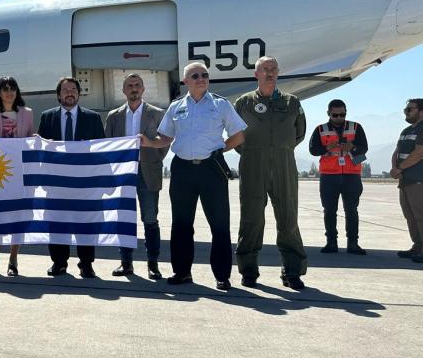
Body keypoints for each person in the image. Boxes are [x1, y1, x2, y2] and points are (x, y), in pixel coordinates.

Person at [142, 62, 245, 290]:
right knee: (181, 224)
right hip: (182, 170)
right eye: (195, 75)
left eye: (205, 75)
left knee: (219, 224)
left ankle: (222, 275)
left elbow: (238, 136)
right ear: (185, 81)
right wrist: (150, 143)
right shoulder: (176, 107)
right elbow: (166, 138)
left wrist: (219, 150)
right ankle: (182, 272)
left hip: (211, 169)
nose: (201, 78)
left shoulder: (221, 104)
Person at [233, 57, 309, 289]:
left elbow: (299, 133)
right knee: (251, 219)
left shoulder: (292, 102)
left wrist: (279, 150)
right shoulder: (243, 103)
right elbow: (235, 135)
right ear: (256, 74)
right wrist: (255, 151)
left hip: (283, 164)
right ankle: (249, 271)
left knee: (288, 218)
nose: (269, 73)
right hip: (252, 164)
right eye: (264, 69)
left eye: (273, 69)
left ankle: (292, 271)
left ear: (278, 73)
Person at [38, 76, 106, 278]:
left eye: (73, 90)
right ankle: (59, 263)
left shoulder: (92, 118)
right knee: (57, 222)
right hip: (56, 183)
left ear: (79, 93)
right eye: (65, 90)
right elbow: (41, 148)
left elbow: (101, 148)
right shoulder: (47, 117)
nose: (70, 93)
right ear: (59, 95)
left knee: (85, 223)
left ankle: (86, 264)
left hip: (84, 183)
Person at [105, 73, 167, 280]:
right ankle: (126, 263)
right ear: (123, 90)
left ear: (143, 89)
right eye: (130, 85)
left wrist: (151, 152)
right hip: (123, 174)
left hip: (147, 172)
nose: (134, 88)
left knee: (150, 219)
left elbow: (165, 143)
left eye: (137, 85)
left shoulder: (156, 113)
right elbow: (108, 145)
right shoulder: (114, 116)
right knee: (124, 219)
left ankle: (153, 264)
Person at [0, 76, 35, 276]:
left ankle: (13, 259)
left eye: (12, 88)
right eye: (5, 89)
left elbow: (30, 139)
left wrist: (35, 139)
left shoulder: (27, 114)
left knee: (17, 215)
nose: (9, 92)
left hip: (20, 173)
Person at [308, 99, 369, 255]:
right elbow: (313, 150)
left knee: (352, 211)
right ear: (328, 113)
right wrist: (328, 147)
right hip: (329, 176)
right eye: (335, 115)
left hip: (351, 175)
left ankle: (353, 244)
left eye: (342, 114)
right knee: (329, 211)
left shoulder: (355, 127)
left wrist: (352, 147)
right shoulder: (320, 129)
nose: (339, 117)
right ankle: (331, 243)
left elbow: (364, 147)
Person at [391, 98, 423, 262]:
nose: (406, 112)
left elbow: (418, 153)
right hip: (405, 180)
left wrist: (400, 168)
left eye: (410, 109)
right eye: (405, 109)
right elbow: (397, 152)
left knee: (420, 215)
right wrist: (395, 168)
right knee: (410, 215)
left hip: (418, 180)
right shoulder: (406, 130)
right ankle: (418, 246)